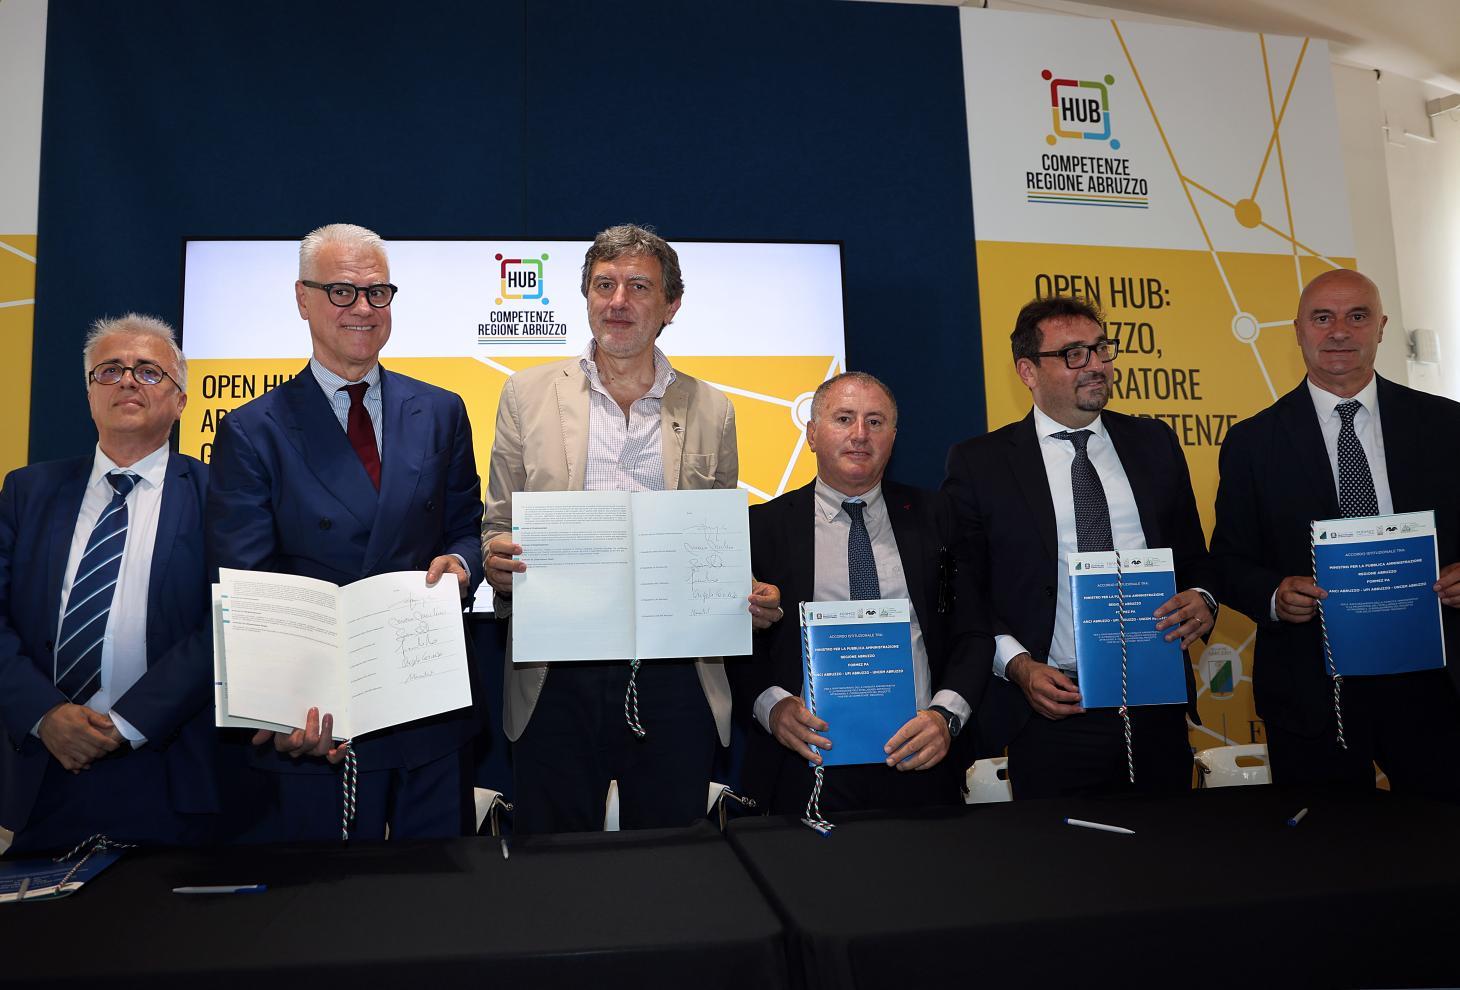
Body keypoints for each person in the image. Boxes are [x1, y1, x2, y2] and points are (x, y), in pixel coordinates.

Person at [483, 223, 781, 833]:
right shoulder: (525, 394)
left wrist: (745, 596)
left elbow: (714, 540)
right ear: (587, 297)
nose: (618, 301)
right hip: (555, 673)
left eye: (638, 286)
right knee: (552, 864)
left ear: (671, 305)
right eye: (604, 285)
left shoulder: (713, 408)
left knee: (670, 865)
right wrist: (497, 561)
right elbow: (497, 526)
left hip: (675, 675)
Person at [208, 222, 483, 840]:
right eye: (341, 291)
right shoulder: (253, 431)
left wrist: (463, 565)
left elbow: (466, 526)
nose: (362, 308)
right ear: (302, 299)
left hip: (429, 710)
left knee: (442, 893)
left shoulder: (441, 410)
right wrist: (279, 707)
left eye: (377, 292)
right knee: (333, 898)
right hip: (318, 726)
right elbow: (247, 582)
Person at [942, 296, 1214, 798]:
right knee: (1063, 849)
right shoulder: (981, 463)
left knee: (1171, 845)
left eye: (1100, 349)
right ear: (1027, 371)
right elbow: (962, 587)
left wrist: (1204, 598)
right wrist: (1019, 666)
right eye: (1073, 354)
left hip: (1155, 704)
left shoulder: (1154, 443)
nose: (1095, 365)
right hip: (1053, 710)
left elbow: (1194, 558)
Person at [1212, 268, 1460, 797]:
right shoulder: (1253, 442)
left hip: (1435, 685)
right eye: (1322, 318)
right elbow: (1228, 560)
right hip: (1310, 689)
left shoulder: (1447, 425)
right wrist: (1275, 594)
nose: (1340, 331)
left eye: (1357, 316)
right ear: (1298, 330)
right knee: (1328, 842)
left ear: (1382, 327)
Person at [0, 314, 219, 853]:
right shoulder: (27, 492)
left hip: (170, 770)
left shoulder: (220, 495)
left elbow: (224, 621)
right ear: (89, 393)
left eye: (148, 371)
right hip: (45, 769)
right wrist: (45, 715)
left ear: (181, 400)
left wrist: (127, 723)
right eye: (110, 370)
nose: (127, 380)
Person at [731, 372, 992, 814]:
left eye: (875, 422)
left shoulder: (938, 516)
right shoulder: (762, 528)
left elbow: (973, 631)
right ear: (812, 434)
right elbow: (735, 642)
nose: (859, 434)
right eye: (843, 418)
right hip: (804, 765)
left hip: (921, 758)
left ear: (893, 437)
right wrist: (772, 708)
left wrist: (945, 717)